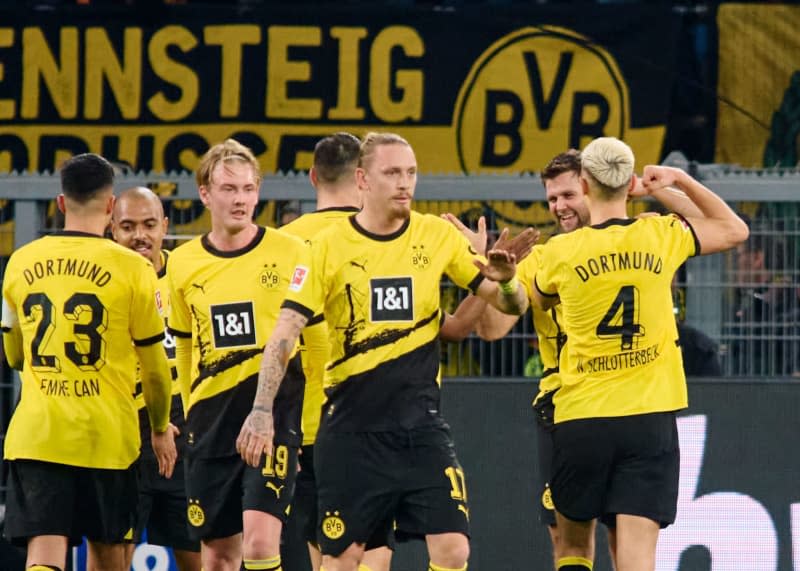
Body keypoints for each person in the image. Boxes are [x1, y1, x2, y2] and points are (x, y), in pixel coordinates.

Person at [236, 132, 536, 571]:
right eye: (392, 173)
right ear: (362, 179)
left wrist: (507, 279)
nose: (405, 183)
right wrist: (262, 408)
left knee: (454, 548)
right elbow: (285, 330)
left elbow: (512, 305)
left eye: (411, 173)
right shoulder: (325, 248)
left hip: (422, 428)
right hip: (350, 432)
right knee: (345, 559)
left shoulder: (436, 236)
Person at [446, 149, 707, 569]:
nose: (559, 206)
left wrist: (645, 191)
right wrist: (485, 276)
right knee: (569, 543)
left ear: (590, 186)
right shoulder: (544, 256)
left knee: (626, 541)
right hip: (564, 404)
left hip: (626, 401)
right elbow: (493, 329)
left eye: (568, 194)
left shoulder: (642, 232)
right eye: (551, 199)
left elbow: (706, 224)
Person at [531, 137, 748, 571]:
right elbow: (733, 229)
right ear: (629, 182)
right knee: (636, 557)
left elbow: (530, 299)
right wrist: (674, 182)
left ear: (586, 185)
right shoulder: (659, 234)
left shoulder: (558, 251)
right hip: (648, 417)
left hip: (582, 416)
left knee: (573, 551)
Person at [1, 153, 177, 571]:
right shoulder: (134, 269)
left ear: (61, 203)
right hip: (107, 437)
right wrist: (157, 427)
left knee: (43, 552)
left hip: (38, 434)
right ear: (112, 206)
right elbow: (154, 370)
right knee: (107, 552)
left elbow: (14, 355)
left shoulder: (20, 263)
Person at [166, 139, 310, 571]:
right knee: (217, 556)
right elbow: (185, 344)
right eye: (229, 188)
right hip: (210, 422)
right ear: (206, 193)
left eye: (249, 188)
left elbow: (311, 341)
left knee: (263, 543)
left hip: (274, 414)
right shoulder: (184, 263)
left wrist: (309, 423)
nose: (241, 199)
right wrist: (190, 411)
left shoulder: (290, 253)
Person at [111, 186, 201, 570]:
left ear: (165, 226)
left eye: (149, 224)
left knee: (197, 552)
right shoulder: (105, 283)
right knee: (115, 551)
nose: (139, 236)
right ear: (111, 230)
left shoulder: (189, 278)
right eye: (128, 226)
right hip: (123, 426)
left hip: (184, 428)